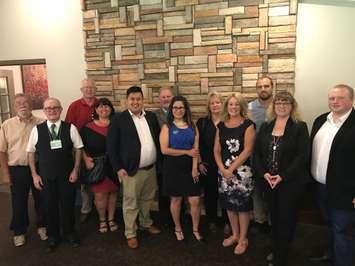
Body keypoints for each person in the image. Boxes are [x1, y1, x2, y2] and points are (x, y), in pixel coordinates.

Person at [253, 91, 310, 266]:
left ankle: (281, 256)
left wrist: (282, 176)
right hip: (268, 181)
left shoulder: (300, 126)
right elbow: (257, 154)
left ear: (292, 106)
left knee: (286, 218)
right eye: (278, 103)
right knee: (274, 217)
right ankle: (276, 246)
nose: (282, 106)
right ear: (273, 106)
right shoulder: (266, 126)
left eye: (286, 103)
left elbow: (302, 156)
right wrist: (264, 174)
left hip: (289, 183)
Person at [107, 86, 161, 249]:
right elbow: (111, 147)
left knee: (147, 200)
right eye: (132, 99)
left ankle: (145, 223)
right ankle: (130, 233)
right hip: (130, 171)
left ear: (142, 100)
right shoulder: (118, 119)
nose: (136, 102)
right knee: (130, 203)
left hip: (150, 169)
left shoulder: (150, 117)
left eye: (138, 99)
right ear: (127, 100)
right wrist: (118, 168)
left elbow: (156, 139)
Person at [27, 97, 83, 252]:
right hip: (46, 176)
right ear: (44, 111)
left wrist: (76, 169)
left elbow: (78, 148)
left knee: (68, 205)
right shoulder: (36, 130)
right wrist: (34, 175)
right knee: (49, 206)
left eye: (55, 107)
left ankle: (70, 233)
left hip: (67, 175)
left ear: (60, 109)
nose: (51, 110)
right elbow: (30, 153)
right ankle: (53, 237)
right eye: (48, 108)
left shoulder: (70, 128)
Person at [310, 84, 355, 266]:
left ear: (351, 100)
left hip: (345, 193)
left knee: (342, 231)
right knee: (328, 225)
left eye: (340, 98)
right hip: (319, 187)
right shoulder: (320, 120)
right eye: (331, 98)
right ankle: (330, 256)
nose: (334, 102)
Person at [0, 94, 47, 247]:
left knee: (41, 199)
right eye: (19, 103)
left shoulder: (42, 123)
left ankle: (42, 226)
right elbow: (2, 151)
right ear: (14, 106)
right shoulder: (7, 125)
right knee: (19, 201)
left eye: (26, 102)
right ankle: (19, 231)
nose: (23, 105)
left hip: (39, 168)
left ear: (31, 105)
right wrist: (6, 173)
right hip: (17, 169)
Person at [214, 93, 255, 255]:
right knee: (229, 206)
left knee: (242, 207)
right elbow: (216, 150)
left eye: (237, 104)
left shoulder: (248, 125)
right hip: (224, 173)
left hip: (242, 174)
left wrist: (231, 169)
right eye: (230, 104)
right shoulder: (221, 126)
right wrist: (222, 169)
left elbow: (247, 150)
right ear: (227, 107)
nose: (233, 107)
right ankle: (235, 234)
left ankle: (243, 238)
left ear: (242, 107)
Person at [160, 95, 203, 242]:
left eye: (181, 107)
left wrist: (194, 168)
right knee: (176, 199)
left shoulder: (193, 126)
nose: (178, 110)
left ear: (186, 109)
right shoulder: (167, 127)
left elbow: (195, 150)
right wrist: (185, 152)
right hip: (172, 168)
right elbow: (164, 150)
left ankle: (195, 228)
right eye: (175, 107)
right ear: (171, 109)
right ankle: (177, 227)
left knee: (195, 200)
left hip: (190, 167)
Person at [80, 98, 119, 233]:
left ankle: (111, 219)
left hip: (114, 165)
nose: (104, 109)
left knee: (113, 192)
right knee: (100, 195)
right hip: (97, 166)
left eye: (107, 106)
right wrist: (85, 159)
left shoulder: (117, 124)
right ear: (96, 110)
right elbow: (80, 146)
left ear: (111, 109)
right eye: (100, 107)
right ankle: (102, 220)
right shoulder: (87, 128)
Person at [65, 78, 97, 223]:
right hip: (80, 150)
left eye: (91, 87)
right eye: (86, 87)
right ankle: (86, 209)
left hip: (99, 150)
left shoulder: (100, 104)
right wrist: (82, 154)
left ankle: (101, 208)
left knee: (100, 179)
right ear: (82, 90)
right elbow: (69, 130)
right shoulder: (74, 106)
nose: (89, 89)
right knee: (84, 182)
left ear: (95, 89)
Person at [248, 75, 274, 233]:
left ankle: (273, 221)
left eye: (266, 86)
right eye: (260, 87)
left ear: (272, 87)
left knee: (273, 190)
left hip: (275, 157)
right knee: (256, 190)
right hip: (255, 156)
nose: (263, 89)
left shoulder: (280, 105)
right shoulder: (250, 107)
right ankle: (259, 220)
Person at [196, 91, 223, 232]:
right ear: (208, 106)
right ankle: (211, 220)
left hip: (225, 166)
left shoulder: (228, 121)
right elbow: (197, 145)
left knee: (225, 194)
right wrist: (199, 163)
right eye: (212, 103)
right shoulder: (202, 122)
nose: (215, 105)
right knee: (209, 195)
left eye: (217, 102)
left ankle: (227, 222)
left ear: (222, 104)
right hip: (207, 165)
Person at [153, 87, 174, 227]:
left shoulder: (181, 112)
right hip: (162, 159)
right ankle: (165, 219)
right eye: (163, 97)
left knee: (177, 190)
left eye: (168, 96)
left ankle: (178, 217)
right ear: (159, 99)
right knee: (163, 190)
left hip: (179, 159)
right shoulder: (153, 116)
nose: (166, 99)